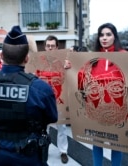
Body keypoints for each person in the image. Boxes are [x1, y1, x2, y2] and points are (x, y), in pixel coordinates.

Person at [0, 25, 58, 166]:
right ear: (27, 58)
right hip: (29, 157)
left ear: (2, 56)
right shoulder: (41, 89)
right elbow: (52, 117)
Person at [79, 23, 128, 166]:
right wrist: (70, 67)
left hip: (117, 108)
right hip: (97, 108)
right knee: (97, 143)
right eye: (101, 35)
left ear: (114, 36)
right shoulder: (92, 58)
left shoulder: (126, 57)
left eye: (108, 34)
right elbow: (81, 77)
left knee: (117, 144)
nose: (104, 38)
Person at [42, 35, 69, 164]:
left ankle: (63, 151)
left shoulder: (63, 61)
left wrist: (67, 68)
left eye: (53, 46)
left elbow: (69, 78)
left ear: (57, 47)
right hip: (44, 101)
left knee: (62, 127)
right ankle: (43, 150)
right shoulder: (40, 61)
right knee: (43, 128)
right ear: (45, 47)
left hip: (59, 100)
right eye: (48, 46)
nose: (50, 48)